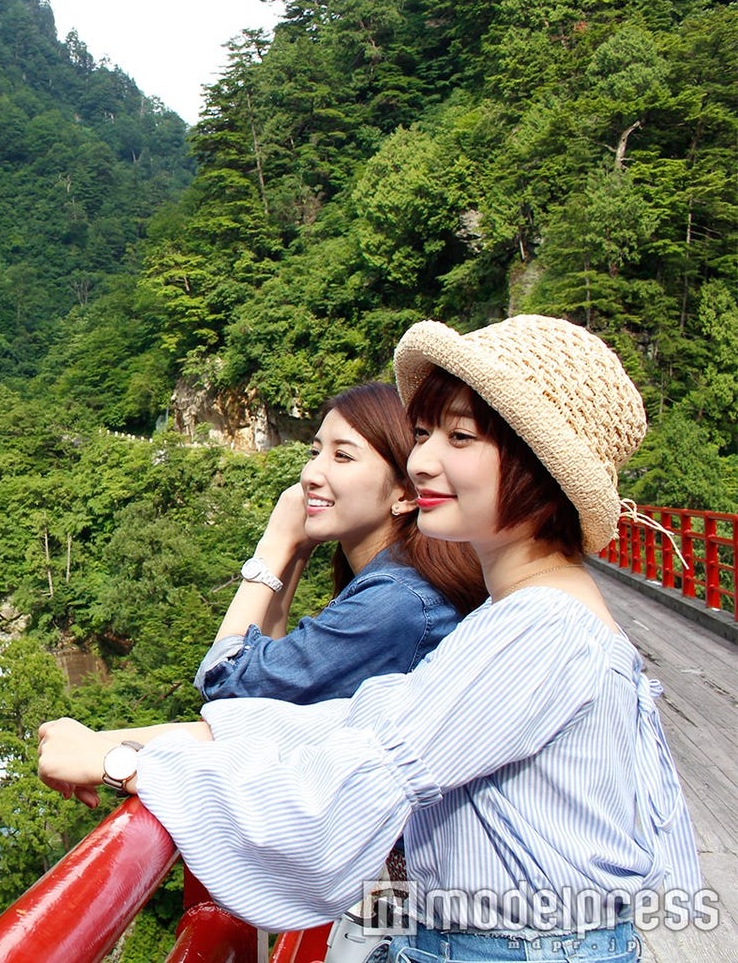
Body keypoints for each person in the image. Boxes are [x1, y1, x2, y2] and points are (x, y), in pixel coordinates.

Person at [38, 315, 702, 962]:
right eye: (422, 434)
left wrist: (127, 768)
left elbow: (344, 788)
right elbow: (348, 724)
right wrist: (118, 743)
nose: (424, 461)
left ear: (540, 466)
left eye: (461, 437)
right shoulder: (534, 618)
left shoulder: (540, 631)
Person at [199, 381, 485, 706]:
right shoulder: (398, 583)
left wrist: (273, 546)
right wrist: (295, 552)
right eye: (315, 452)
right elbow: (274, 698)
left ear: (406, 493)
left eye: (342, 456)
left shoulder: (397, 602)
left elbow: (224, 682)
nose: (310, 474)